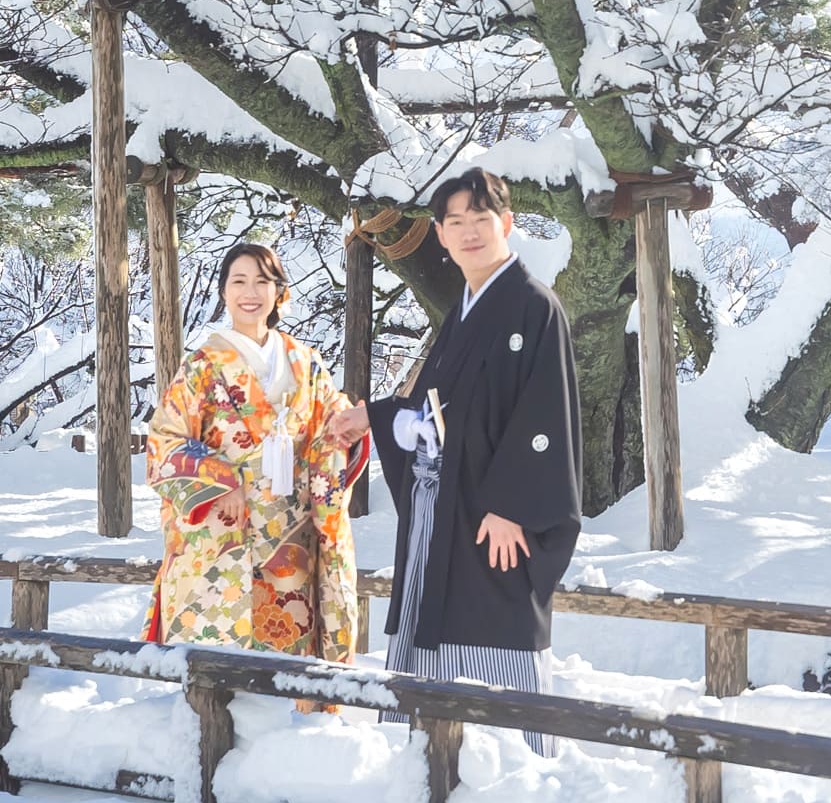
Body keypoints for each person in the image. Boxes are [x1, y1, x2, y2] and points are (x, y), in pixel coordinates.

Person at [367, 168, 582, 732]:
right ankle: (426, 757)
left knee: (494, 618)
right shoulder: (461, 313)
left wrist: (514, 503)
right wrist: (377, 418)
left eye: (480, 220)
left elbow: (546, 414)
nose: (469, 233)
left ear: (507, 224)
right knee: (434, 623)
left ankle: (506, 760)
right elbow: (438, 407)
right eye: (455, 222)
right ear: (439, 234)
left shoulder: (534, 305)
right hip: (442, 510)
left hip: (496, 515)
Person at [144, 242, 373, 661]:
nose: (251, 292)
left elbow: (334, 427)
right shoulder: (203, 365)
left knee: (287, 664)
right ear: (224, 292)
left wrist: (354, 424)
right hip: (222, 532)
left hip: (291, 535)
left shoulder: (307, 362)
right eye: (239, 281)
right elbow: (165, 439)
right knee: (218, 664)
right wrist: (217, 481)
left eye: (262, 282)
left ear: (278, 292)